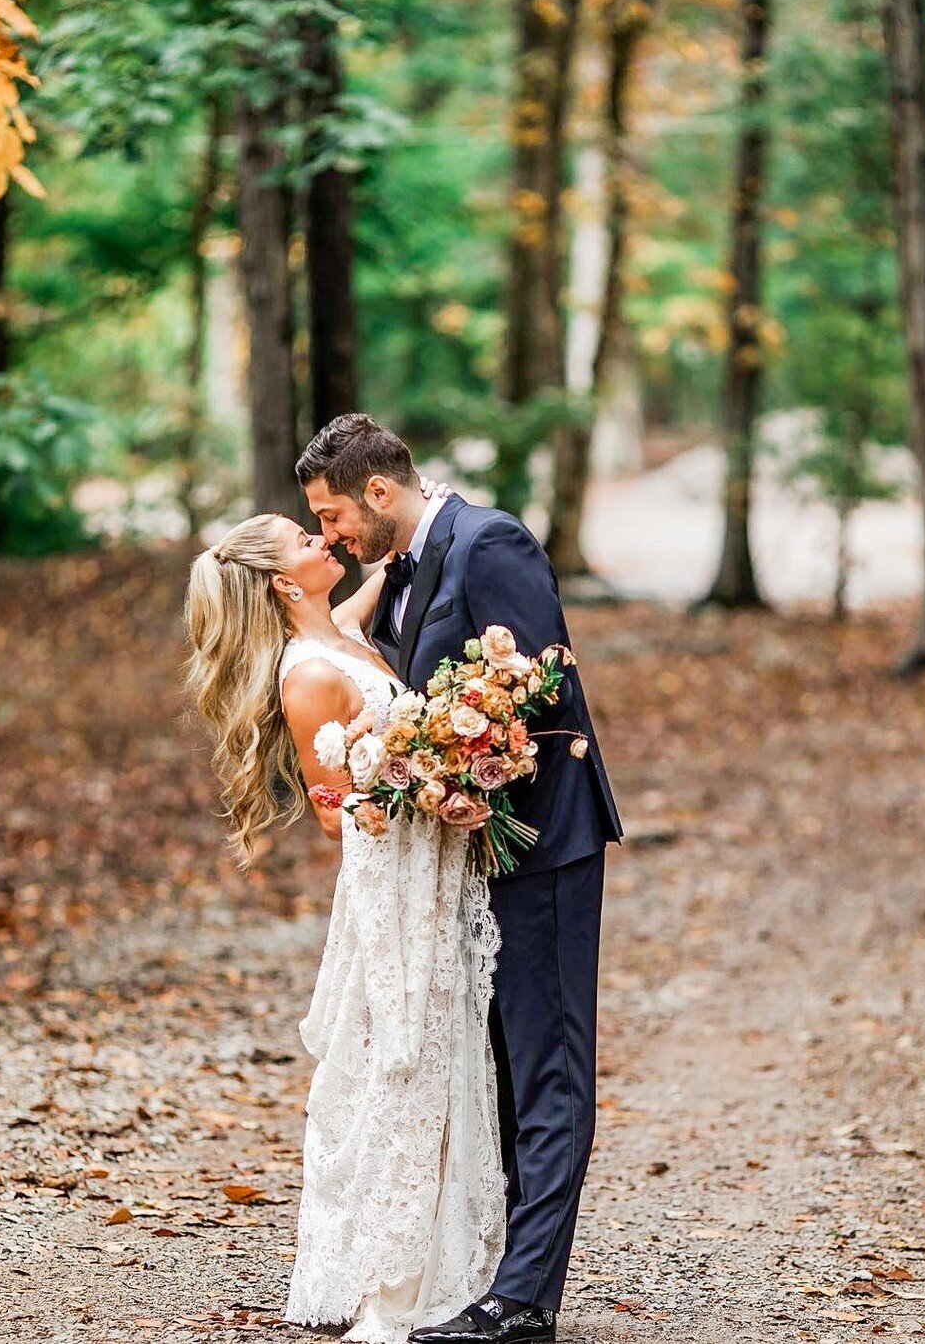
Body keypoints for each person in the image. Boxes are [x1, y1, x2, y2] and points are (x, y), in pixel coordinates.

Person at [297, 414, 623, 1344]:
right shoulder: (395, 569)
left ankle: (525, 1300)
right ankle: (500, 1272)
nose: (330, 535)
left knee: (549, 1067)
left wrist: (444, 764)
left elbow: (537, 687)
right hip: (463, 862)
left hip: (541, 843)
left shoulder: (493, 541)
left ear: (382, 491)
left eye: (333, 513)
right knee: (502, 1071)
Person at [183, 500, 504, 1344]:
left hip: (429, 870)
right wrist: (420, 779)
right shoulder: (307, 674)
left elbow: (369, 591)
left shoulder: (343, 632)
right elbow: (335, 817)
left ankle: (440, 1253)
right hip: (391, 882)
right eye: (304, 536)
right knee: (401, 1055)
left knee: (434, 1048)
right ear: (287, 581)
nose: (322, 537)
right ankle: (389, 1279)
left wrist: (414, 518)